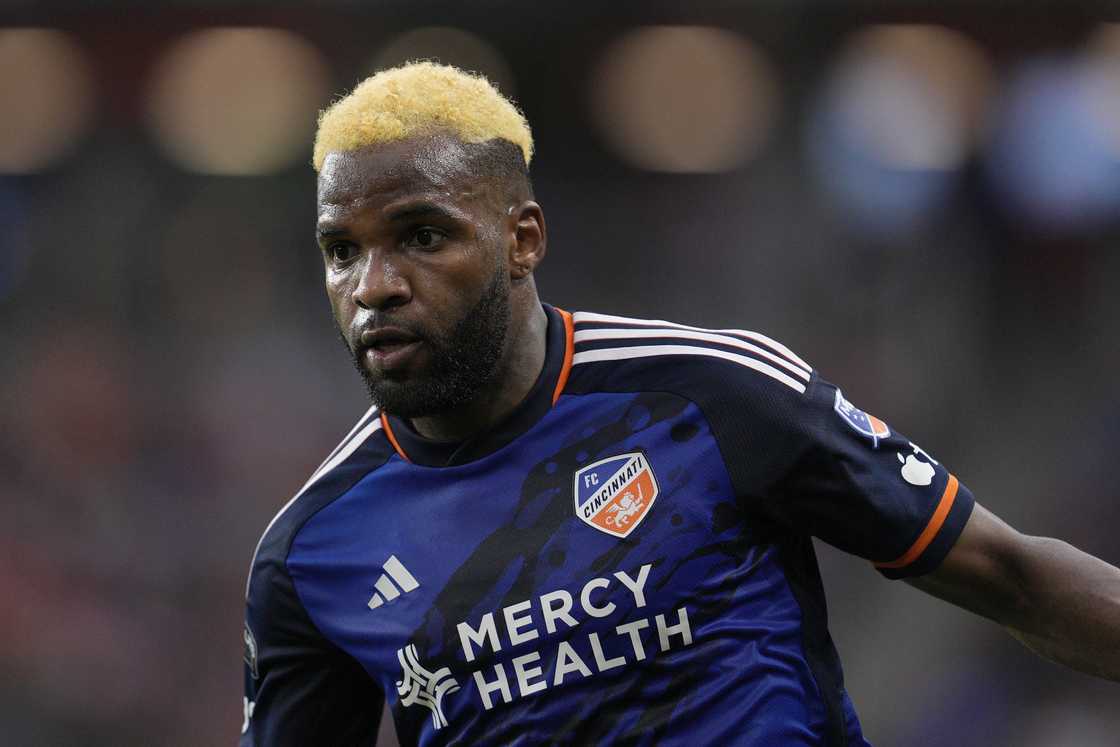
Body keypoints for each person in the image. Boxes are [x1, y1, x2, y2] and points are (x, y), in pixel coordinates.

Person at [240, 62, 1120, 746]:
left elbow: (1013, 576)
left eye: (422, 236)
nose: (374, 286)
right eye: (340, 250)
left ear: (522, 239)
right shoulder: (310, 555)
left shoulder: (711, 394)